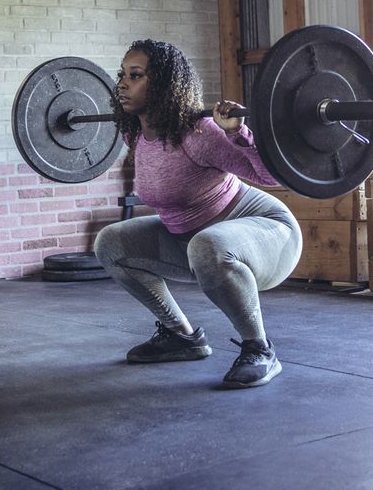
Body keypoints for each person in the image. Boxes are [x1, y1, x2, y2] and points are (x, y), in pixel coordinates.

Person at [93, 39, 303, 389]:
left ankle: (260, 349)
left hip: (268, 236)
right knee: (111, 242)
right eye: (122, 75)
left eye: (136, 75)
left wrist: (237, 131)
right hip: (195, 243)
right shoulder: (138, 135)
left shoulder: (199, 133)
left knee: (206, 245)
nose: (122, 84)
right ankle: (182, 337)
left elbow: (272, 177)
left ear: (161, 84)